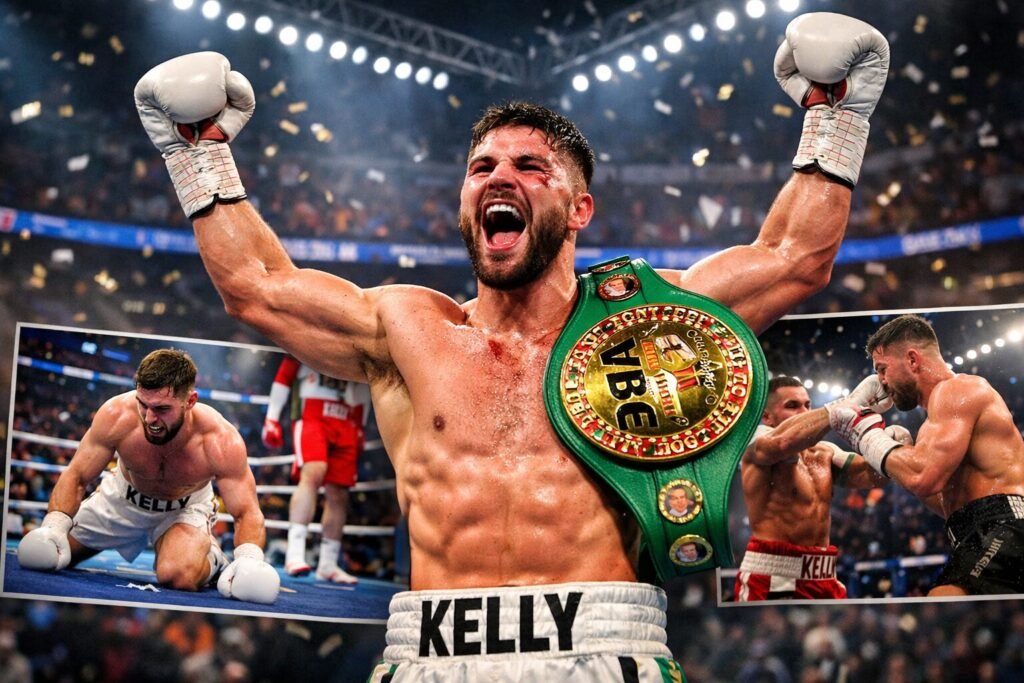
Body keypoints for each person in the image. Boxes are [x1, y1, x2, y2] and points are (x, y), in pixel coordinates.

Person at [134, 12, 888, 680]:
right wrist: (200, 152)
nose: (502, 177)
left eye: (531, 167)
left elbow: (794, 256)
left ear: (579, 207)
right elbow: (258, 286)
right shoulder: (406, 328)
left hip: (603, 642)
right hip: (429, 650)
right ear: (465, 204)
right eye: (483, 168)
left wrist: (836, 114)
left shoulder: (655, 319)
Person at [17, 349, 279, 604]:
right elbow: (76, 476)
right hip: (119, 500)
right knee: (47, 554)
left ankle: (214, 562)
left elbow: (246, 510)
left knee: (180, 575)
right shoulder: (116, 415)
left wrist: (248, 559)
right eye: (143, 404)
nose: (150, 418)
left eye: (162, 409)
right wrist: (54, 527)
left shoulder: (220, 440)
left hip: (183, 509)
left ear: (190, 401)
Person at [827, 313, 1024, 596]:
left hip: (1005, 526)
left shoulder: (958, 390)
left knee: (942, 600)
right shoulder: (934, 420)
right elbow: (942, 502)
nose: (881, 381)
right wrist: (902, 454)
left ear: (912, 359)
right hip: (975, 531)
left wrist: (866, 435)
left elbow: (923, 478)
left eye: (882, 368)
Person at [735, 376, 897, 601]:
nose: (803, 412)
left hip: (825, 574)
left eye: (807, 405)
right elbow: (782, 443)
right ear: (766, 416)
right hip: (774, 575)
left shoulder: (825, 452)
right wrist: (842, 406)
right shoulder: (755, 444)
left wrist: (890, 447)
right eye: (792, 406)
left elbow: (873, 477)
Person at [262, 354, 371, 583]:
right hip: (312, 412)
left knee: (340, 493)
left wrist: (360, 425)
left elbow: (364, 384)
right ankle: (295, 555)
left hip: (348, 417)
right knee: (313, 472)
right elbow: (286, 373)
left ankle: (328, 564)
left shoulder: (356, 340)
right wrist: (271, 418)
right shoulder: (310, 335)